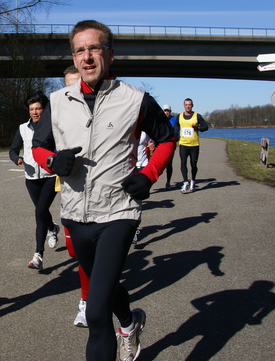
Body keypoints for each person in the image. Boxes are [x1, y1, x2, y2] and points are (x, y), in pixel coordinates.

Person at [32, 20, 175, 361]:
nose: (87, 56)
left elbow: (167, 138)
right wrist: (53, 161)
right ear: (74, 57)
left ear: (109, 55)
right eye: (80, 50)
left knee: (95, 312)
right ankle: (129, 322)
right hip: (75, 214)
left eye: (94, 48)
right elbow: (38, 145)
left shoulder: (136, 99)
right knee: (104, 288)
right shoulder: (58, 100)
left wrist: (150, 173)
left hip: (118, 212)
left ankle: (118, 327)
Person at [9, 91, 60, 271]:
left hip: (50, 177)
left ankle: (38, 255)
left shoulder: (53, 126)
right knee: (41, 211)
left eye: (38, 108)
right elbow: (13, 150)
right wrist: (17, 159)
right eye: (32, 109)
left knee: (40, 211)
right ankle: (52, 228)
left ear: (44, 109)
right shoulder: (23, 128)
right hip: (31, 177)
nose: (35, 112)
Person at [61, 65, 90, 327]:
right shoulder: (56, 110)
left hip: (99, 197)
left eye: (77, 85)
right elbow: (41, 147)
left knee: (84, 254)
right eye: (68, 87)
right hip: (67, 191)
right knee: (73, 251)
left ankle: (86, 301)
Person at [174, 98, 209, 193]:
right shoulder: (179, 116)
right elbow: (177, 126)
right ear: (183, 105)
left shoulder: (197, 116)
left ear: (192, 105)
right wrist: (175, 135)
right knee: (183, 163)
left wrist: (198, 128)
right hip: (183, 144)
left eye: (189, 104)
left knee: (193, 164)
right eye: (186, 104)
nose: (188, 106)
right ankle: (185, 182)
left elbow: (206, 127)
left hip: (194, 145)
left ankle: (192, 181)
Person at [161, 104, 178, 190]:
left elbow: (177, 130)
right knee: (160, 163)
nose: (166, 112)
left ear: (170, 112)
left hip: (170, 143)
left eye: (168, 111)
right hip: (161, 144)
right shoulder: (159, 119)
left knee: (169, 164)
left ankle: (168, 182)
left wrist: (176, 138)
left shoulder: (174, 119)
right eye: (165, 111)